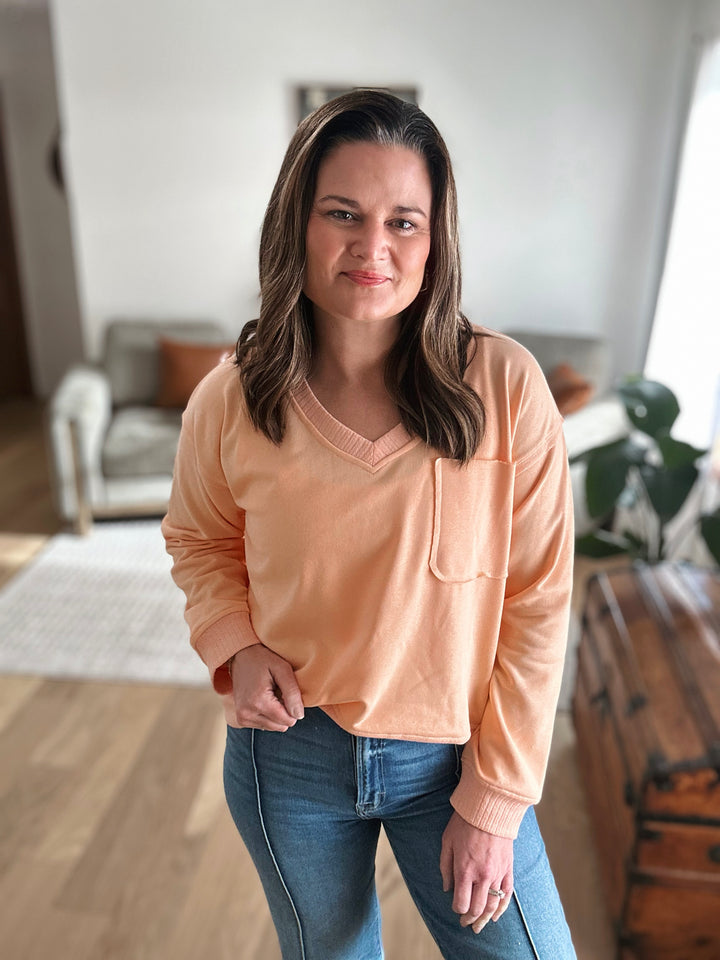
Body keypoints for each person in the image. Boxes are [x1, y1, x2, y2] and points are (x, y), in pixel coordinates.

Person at [162, 89, 577, 960]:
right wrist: (234, 644)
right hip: (292, 760)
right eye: (343, 213)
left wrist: (493, 802)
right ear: (297, 224)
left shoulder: (504, 388)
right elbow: (199, 539)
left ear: (436, 240)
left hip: (457, 760)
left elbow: (537, 603)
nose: (373, 248)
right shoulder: (232, 398)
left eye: (404, 221)